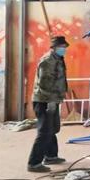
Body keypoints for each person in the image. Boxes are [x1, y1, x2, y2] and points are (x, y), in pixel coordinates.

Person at [27, 36, 69, 172]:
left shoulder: (58, 59)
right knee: (44, 131)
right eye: (62, 47)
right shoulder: (48, 61)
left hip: (52, 99)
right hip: (44, 100)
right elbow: (44, 84)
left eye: (65, 47)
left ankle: (51, 156)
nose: (64, 49)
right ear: (54, 48)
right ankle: (34, 163)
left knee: (52, 128)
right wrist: (50, 100)